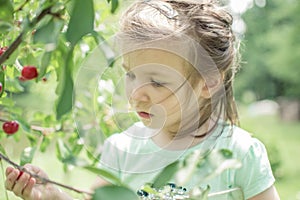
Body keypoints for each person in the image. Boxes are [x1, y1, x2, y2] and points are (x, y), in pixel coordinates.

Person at [5, 0, 280, 199]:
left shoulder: (240, 153)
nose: (136, 94)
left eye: (158, 81)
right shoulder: (121, 150)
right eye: (130, 75)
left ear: (208, 82)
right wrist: (52, 196)